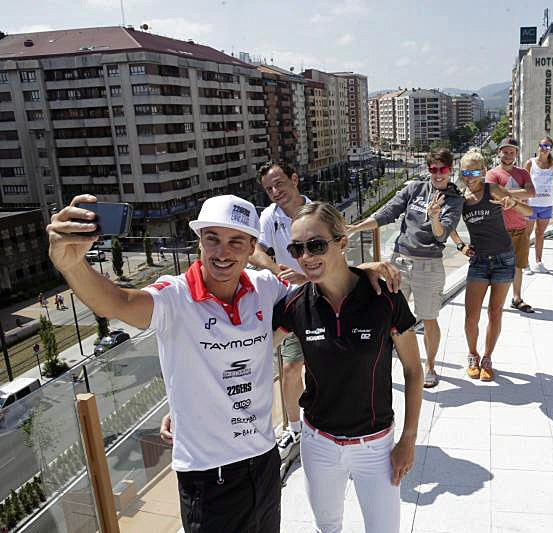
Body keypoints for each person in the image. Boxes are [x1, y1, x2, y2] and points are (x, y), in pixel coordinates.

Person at [49, 194, 398, 533]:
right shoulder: (175, 297)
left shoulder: (265, 288)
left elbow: (322, 290)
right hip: (207, 476)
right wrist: (72, 265)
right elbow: (118, 302)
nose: (222, 252)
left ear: (251, 249)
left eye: (236, 242)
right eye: (212, 239)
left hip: (262, 461)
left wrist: (359, 269)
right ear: (199, 241)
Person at [273, 202, 422, 533]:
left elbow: (413, 370)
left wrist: (408, 439)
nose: (306, 256)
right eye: (297, 249)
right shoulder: (295, 305)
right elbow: (246, 354)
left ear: (342, 242)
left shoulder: (384, 296)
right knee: (328, 527)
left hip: (376, 447)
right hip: (318, 443)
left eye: (316, 245)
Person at [346, 147, 464, 388]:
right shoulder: (415, 189)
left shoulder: (454, 199)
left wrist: (434, 217)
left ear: (450, 170)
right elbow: (387, 213)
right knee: (388, 316)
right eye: (434, 169)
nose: (438, 174)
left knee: (428, 318)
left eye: (443, 169)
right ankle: (385, 362)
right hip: (399, 263)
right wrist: (354, 229)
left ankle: (429, 366)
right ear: (429, 170)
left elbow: (441, 235)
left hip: (428, 267)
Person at [450, 149, 533, 381]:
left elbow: (528, 211)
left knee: (495, 312)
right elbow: (448, 225)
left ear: (484, 172)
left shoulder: (493, 189)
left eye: (474, 171)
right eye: (465, 172)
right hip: (478, 262)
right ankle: (472, 355)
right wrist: (460, 246)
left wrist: (512, 202)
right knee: (471, 316)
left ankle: (487, 357)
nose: (469, 176)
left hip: (503, 259)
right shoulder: (461, 200)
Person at [250, 161, 311, 461]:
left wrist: (308, 277)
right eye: (269, 188)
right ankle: (296, 430)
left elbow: (337, 255)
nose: (275, 192)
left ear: (295, 180)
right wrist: (277, 269)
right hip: (289, 302)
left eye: (279, 184)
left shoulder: (316, 213)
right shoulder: (268, 217)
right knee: (289, 368)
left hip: (322, 298)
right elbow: (255, 250)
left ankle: (325, 422)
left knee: (324, 364)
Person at [485, 137, 535, 313]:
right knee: (497, 267)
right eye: (505, 152)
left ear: (516, 154)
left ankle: (517, 297)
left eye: (511, 152)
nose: (508, 155)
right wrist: (518, 194)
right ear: (499, 152)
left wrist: (506, 193)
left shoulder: (523, 173)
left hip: (520, 226)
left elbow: (531, 192)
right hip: (499, 230)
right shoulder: (492, 174)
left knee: (518, 265)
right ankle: (496, 300)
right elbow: (493, 192)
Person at [523, 136, 553, 274]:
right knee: (527, 234)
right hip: (531, 204)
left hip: (546, 205)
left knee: (540, 234)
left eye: (548, 147)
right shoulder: (530, 163)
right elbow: (523, 182)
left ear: (551, 149)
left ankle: (539, 262)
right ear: (538, 147)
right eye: (542, 146)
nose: (544, 149)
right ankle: (524, 263)